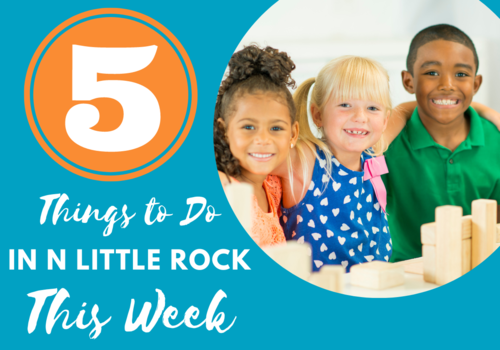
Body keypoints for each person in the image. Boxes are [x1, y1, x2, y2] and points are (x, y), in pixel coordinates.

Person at [383, 24, 500, 262]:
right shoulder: (386, 144)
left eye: (461, 74)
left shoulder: (496, 140)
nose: (447, 84)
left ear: (476, 84)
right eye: (432, 73)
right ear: (409, 81)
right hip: (402, 275)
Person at [275, 56, 403, 272]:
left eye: (372, 108)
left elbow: (406, 111)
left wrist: (479, 109)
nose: (360, 117)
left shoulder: (371, 154)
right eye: (345, 105)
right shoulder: (305, 159)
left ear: (385, 121)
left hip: (373, 287)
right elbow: (253, 154)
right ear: (317, 115)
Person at [214, 45, 299, 248]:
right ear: (224, 130)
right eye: (249, 127)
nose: (263, 139)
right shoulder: (224, 186)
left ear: (293, 134)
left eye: (276, 128)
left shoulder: (274, 186)